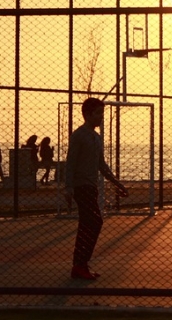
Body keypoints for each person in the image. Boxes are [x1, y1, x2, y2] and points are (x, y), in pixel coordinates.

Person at [65, 97, 128, 280]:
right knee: (94, 222)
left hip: (91, 187)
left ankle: (80, 265)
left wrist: (117, 183)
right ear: (88, 114)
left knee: (88, 224)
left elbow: (101, 164)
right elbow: (70, 162)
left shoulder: (96, 138)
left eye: (102, 113)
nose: (101, 117)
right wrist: (68, 187)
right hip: (80, 186)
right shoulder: (78, 136)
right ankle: (79, 264)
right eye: (98, 113)